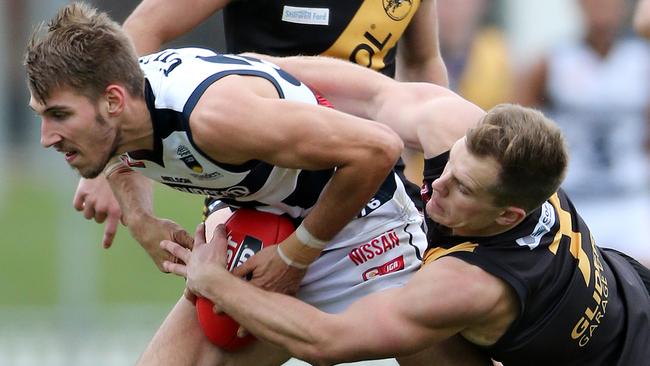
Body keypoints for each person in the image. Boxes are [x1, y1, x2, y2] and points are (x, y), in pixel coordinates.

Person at [25, 3, 490, 366]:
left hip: (364, 216)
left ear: (111, 101)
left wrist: (298, 253)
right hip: (262, 207)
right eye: (43, 116)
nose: (46, 138)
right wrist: (140, 216)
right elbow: (122, 124)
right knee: (206, 337)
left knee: (373, 347)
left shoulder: (213, 118)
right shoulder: (117, 115)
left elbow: (377, 149)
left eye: (59, 117)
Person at [161, 54, 650, 366]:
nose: (435, 186)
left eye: (463, 190)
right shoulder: (468, 135)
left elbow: (326, 342)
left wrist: (214, 282)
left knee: (419, 335)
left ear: (508, 217)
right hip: (636, 296)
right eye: (449, 167)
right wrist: (247, 72)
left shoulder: (469, 284)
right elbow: (373, 94)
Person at [73, 0, 449, 263]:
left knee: (436, 326)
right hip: (253, 186)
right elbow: (144, 29)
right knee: (217, 319)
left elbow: (423, 65)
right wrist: (111, 155)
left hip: (366, 181)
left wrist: (439, 174)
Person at [517, 0, 650, 266]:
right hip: (576, 201)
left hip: (632, 199)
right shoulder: (551, 62)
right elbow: (518, 131)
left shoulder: (642, 59)